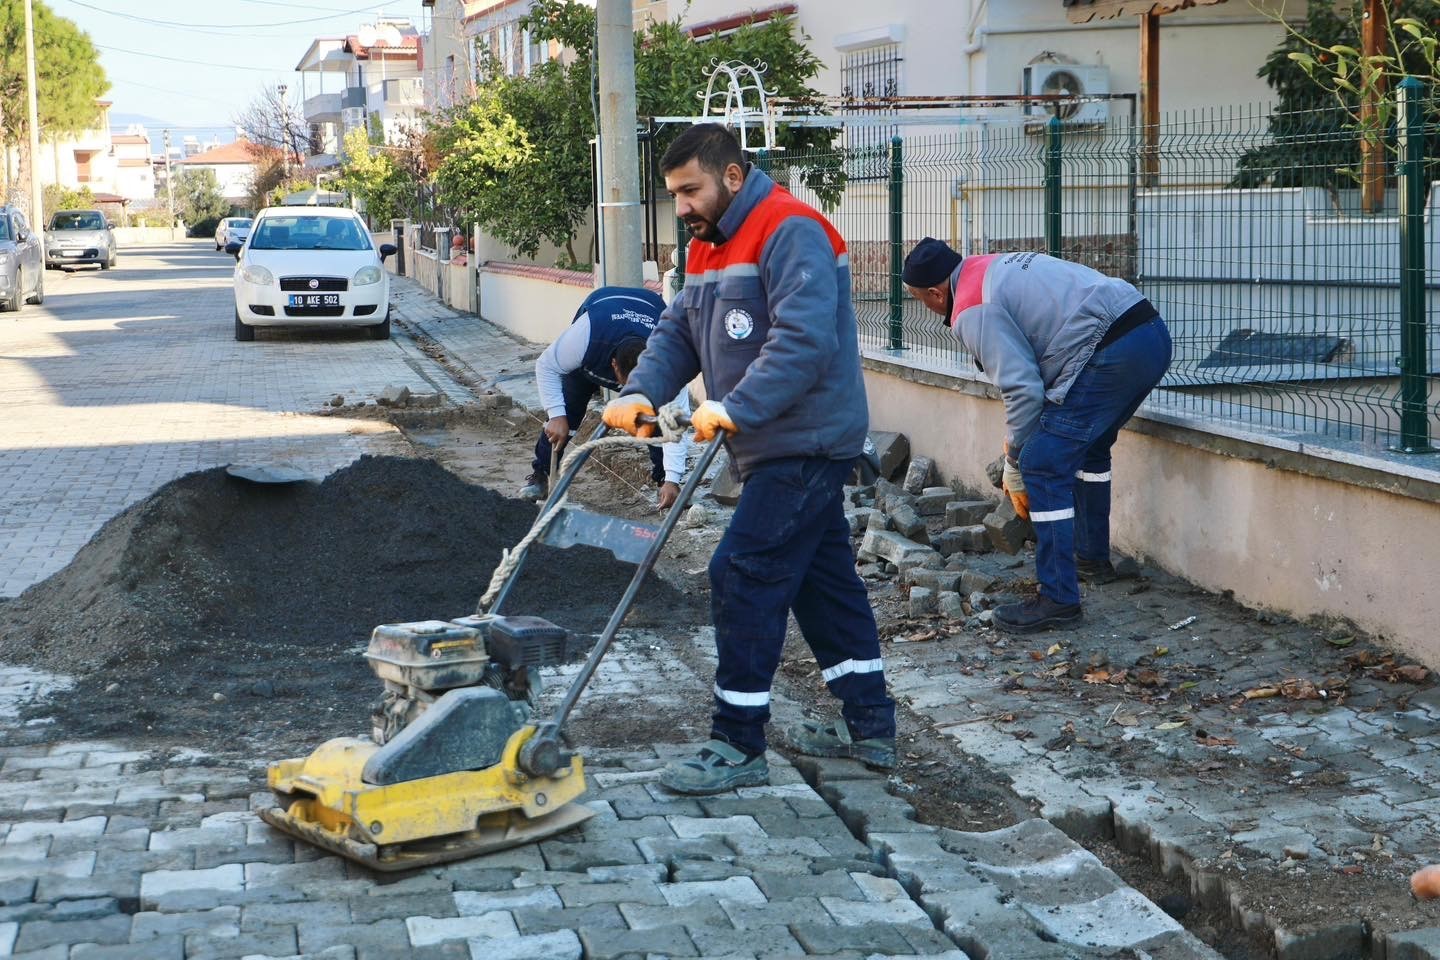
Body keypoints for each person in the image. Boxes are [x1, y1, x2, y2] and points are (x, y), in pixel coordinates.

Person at [602, 123, 897, 795]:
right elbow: (679, 329)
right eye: (673, 193)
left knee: (740, 573)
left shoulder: (791, 230)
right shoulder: (710, 246)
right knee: (824, 586)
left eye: (689, 190)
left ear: (732, 176)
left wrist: (736, 408)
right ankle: (870, 725)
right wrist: (642, 388)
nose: (680, 206)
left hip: (807, 441)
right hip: (771, 446)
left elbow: (804, 341)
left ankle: (737, 742)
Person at [902, 238, 1173, 634]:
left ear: (934, 292)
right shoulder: (987, 267)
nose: (923, 307)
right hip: (1149, 334)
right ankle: (1091, 557)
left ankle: (1059, 599)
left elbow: (1023, 389)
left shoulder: (971, 308)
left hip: (1114, 349)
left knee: (1043, 464)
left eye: (918, 299)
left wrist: (1014, 460)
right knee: (1089, 448)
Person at [521, 285, 689, 510]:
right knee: (567, 414)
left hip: (647, 308)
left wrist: (673, 479)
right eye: (628, 385)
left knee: (658, 418)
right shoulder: (586, 336)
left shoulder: (669, 358)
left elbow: (675, 423)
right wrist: (556, 414)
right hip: (600, 327)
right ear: (614, 366)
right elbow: (546, 365)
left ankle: (664, 484)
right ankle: (541, 474)